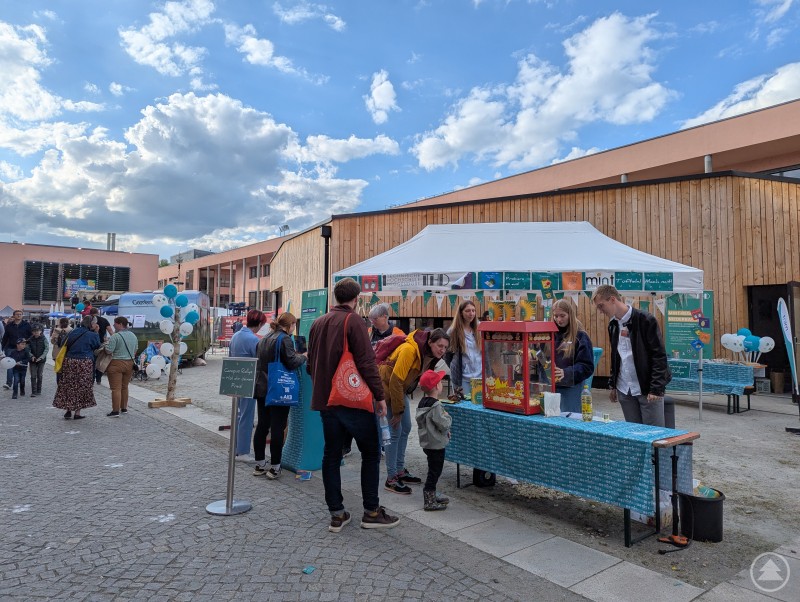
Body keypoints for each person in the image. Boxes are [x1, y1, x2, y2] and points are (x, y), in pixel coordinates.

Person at [307, 277, 400, 532]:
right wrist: (380, 396)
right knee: (370, 453)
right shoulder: (354, 321)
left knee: (331, 454)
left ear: (336, 297)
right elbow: (367, 362)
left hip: (326, 400)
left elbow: (310, 364)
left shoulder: (317, 323)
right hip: (351, 400)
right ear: (356, 299)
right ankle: (371, 511)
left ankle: (337, 514)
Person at [379, 327, 450, 494]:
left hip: (399, 389)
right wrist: (398, 412)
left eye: (445, 347)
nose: (442, 350)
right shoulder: (410, 350)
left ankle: (399, 470)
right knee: (395, 431)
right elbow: (395, 381)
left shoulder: (428, 354)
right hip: (388, 389)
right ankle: (391, 478)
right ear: (430, 342)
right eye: (440, 345)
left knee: (406, 428)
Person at [592, 285, 671, 427]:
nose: (600, 311)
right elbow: (616, 356)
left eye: (601, 306)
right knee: (633, 433)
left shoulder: (646, 320)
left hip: (647, 389)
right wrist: (613, 384)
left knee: (654, 434)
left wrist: (656, 388)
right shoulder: (613, 325)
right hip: (624, 389)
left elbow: (659, 356)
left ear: (612, 299)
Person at [339, 303, 405, 458]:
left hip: (387, 380)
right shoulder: (368, 332)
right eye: (370, 319)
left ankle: (385, 445)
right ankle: (348, 446)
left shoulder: (398, 334)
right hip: (368, 378)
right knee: (359, 412)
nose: (372, 322)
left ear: (385, 317)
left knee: (384, 413)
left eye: (375, 319)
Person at [252, 312, 306, 479]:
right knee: (277, 428)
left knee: (262, 426)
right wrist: (303, 357)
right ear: (290, 325)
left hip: (262, 387)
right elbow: (291, 362)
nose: (294, 328)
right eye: (294, 325)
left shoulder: (264, 338)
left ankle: (260, 464)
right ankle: (275, 467)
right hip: (278, 388)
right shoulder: (285, 339)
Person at [535, 299, 595, 413]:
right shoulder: (548, 335)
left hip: (571, 390)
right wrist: (535, 354)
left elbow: (587, 366)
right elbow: (541, 358)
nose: (559, 319)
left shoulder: (581, 336)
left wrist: (566, 372)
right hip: (549, 388)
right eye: (556, 316)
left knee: (569, 419)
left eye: (562, 316)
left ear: (570, 315)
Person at [230, 309, 266, 456]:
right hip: (248, 380)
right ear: (259, 323)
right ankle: (243, 451)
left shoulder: (235, 336)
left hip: (234, 379)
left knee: (238, 415)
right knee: (247, 416)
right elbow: (260, 361)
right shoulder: (254, 340)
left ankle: (235, 447)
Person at [415, 370, 452, 511]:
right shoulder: (436, 406)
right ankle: (429, 500)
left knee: (433, 468)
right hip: (436, 444)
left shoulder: (422, 403)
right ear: (437, 386)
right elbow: (443, 423)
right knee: (435, 471)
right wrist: (448, 417)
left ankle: (432, 495)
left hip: (427, 442)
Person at [52, 315, 101, 420]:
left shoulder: (73, 331)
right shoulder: (92, 335)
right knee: (81, 386)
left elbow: (63, 343)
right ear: (91, 324)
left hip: (70, 361)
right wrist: (96, 332)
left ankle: (68, 410)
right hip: (84, 362)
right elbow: (97, 345)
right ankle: (77, 413)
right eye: (94, 323)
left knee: (69, 385)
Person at [104, 317, 139, 417]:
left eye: (115, 323)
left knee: (116, 388)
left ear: (120, 324)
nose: (113, 325)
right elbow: (135, 350)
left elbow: (109, 351)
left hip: (116, 363)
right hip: (130, 364)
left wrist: (105, 345)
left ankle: (115, 411)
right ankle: (124, 408)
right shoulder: (133, 335)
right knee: (125, 387)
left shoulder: (115, 336)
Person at [447, 301, 482, 400]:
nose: (471, 313)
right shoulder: (453, 331)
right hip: (463, 378)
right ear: (461, 313)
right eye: (468, 311)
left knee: (479, 404)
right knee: (464, 403)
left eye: (473, 311)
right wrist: (455, 366)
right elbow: (447, 355)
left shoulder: (480, 329)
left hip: (480, 376)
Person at [3, 310, 32, 390]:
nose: (19, 315)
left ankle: (19, 379)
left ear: (22, 316)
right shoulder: (9, 326)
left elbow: (31, 336)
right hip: (11, 347)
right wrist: (2, 349)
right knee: (10, 364)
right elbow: (5, 337)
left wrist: (27, 343)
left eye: (20, 314)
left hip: (23, 348)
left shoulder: (27, 325)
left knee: (21, 365)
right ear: (14, 315)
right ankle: (8, 383)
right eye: (17, 314)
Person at [90, 308, 113, 385]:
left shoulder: (89, 320)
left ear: (90, 313)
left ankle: (91, 378)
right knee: (100, 361)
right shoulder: (104, 320)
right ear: (97, 312)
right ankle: (98, 379)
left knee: (92, 361)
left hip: (91, 343)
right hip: (101, 344)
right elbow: (110, 331)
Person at [27, 325, 50, 398]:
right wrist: (31, 356)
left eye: (37, 331)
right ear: (32, 332)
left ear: (40, 331)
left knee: (39, 375)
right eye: (34, 331)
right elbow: (27, 349)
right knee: (33, 375)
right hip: (33, 360)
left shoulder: (44, 339)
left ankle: (39, 390)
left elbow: (46, 349)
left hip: (41, 360)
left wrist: (41, 357)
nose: (36, 332)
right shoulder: (30, 339)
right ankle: (33, 391)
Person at [50, 317, 73, 383]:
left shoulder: (56, 330)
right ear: (68, 323)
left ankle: (59, 383)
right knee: (67, 370)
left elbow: (52, 341)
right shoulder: (71, 330)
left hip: (57, 353)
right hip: (67, 353)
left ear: (60, 323)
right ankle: (66, 383)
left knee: (59, 369)